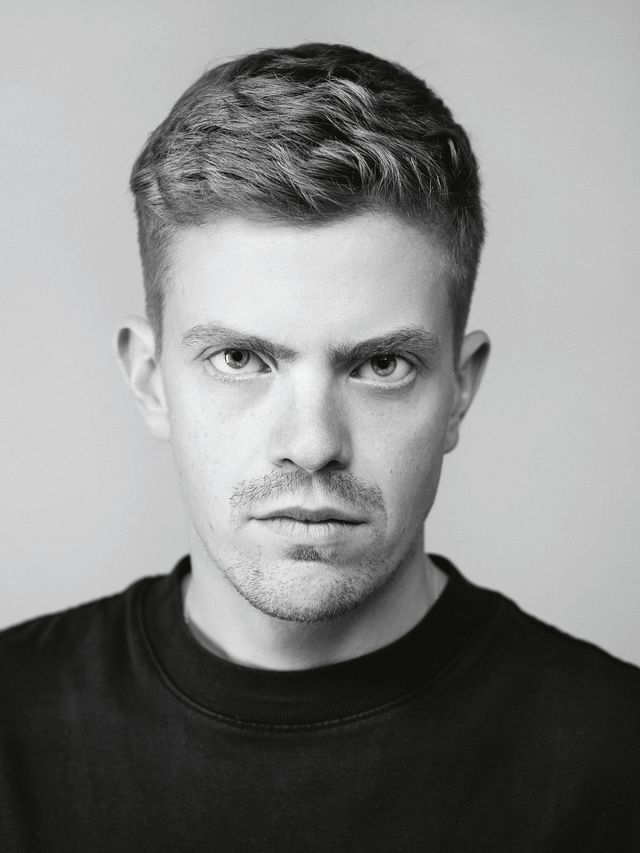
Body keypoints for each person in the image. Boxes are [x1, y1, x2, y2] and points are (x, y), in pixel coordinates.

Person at [1, 42, 639, 852]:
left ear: (460, 388)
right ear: (152, 379)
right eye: (240, 359)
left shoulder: (616, 760)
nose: (312, 444)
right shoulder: (14, 733)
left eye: (381, 365)